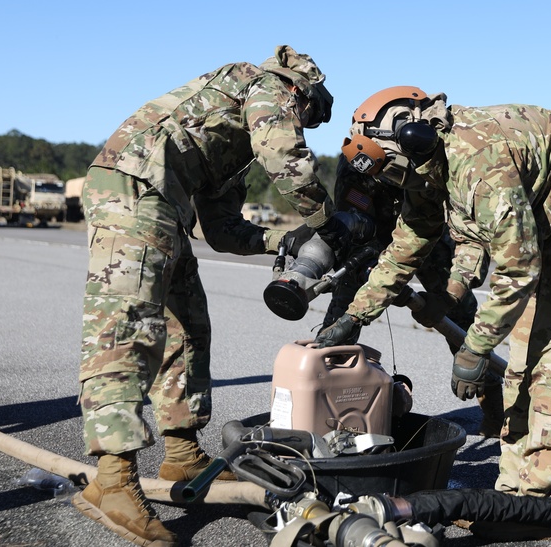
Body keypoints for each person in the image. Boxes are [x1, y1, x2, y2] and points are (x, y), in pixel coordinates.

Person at [317, 86, 551, 533]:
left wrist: (474, 349)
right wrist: (355, 316)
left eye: (396, 171)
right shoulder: (423, 163)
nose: (397, 184)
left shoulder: (480, 158)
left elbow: (517, 267)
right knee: (524, 357)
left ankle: (539, 502)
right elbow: (411, 243)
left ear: (416, 136)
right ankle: (514, 492)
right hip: (546, 222)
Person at [74, 46, 348, 547]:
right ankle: (111, 479)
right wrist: (328, 224)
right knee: (128, 327)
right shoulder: (262, 85)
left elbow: (219, 228)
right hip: (133, 189)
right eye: (307, 114)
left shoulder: (235, 141)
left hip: (166, 206)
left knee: (188, 327)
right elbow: (285, 157)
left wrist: (278, 240)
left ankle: (182, 455)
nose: (301, 123)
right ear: (298, 92)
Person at [320, 155, 504, 437]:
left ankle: (495, 414)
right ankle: (322, 409)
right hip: (371, 241)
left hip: (429, 233)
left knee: (461, 317)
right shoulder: (355, 164)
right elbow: (351, 220)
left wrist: (450, 293)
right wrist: (369, 275)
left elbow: (468, 231)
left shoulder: (430, 156)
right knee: (343, 318)